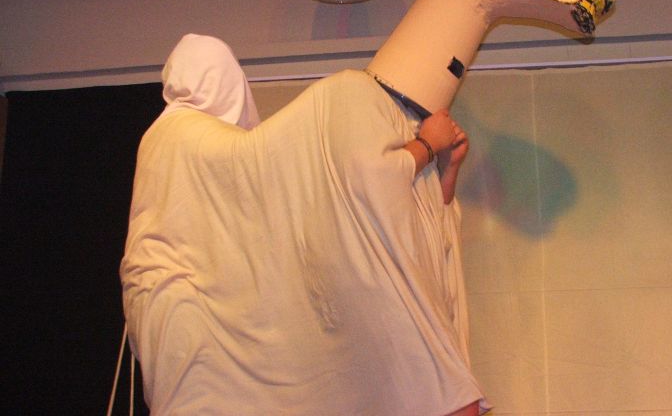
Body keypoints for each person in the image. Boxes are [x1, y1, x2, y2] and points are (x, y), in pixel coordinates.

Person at [121, 33, 484, 415]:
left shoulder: (167, 142)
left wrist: (441, 167)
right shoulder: (180, 133)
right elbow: (340, 171)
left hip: (178, 327)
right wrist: (363, 109)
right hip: (188, 328)